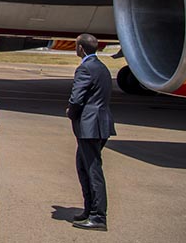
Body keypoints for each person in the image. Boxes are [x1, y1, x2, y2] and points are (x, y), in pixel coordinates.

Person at [68, 33, 116, 232]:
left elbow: (76, 98)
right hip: (100, 124)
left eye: (76, 45)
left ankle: (98, 216)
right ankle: (89, 210)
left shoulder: (85, 68)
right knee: (83, 167)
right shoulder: (101, 67)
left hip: (89, 126)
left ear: (81, 48)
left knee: (93, 170)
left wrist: (71, 113)